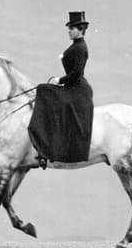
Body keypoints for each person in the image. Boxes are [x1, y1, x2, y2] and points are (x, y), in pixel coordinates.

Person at [27, 12, 94, 167]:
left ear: (80, 29)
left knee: (44, 90)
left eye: (72, 28)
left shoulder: (81, 48)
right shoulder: (75, 45)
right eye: (69, 28)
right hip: (72, 86)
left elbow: (77, 73)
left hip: (77, 90)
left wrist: (59, 80)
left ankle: (46, 146)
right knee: (45, 89)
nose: (69, 31)